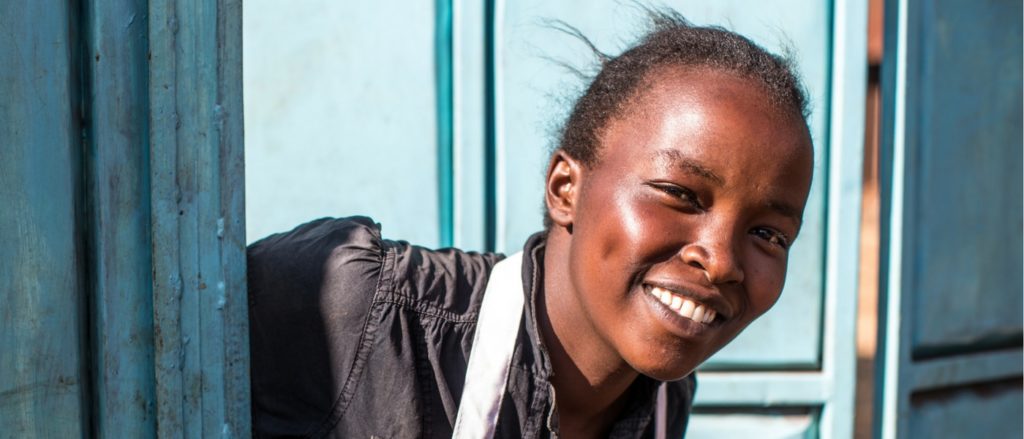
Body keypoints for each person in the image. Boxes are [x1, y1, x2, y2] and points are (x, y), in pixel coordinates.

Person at [246, 9, 813, 439]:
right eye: (680, 194)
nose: (721, 260)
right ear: (566, 188)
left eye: (768, 234)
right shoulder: (360, 310)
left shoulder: (663, 404)